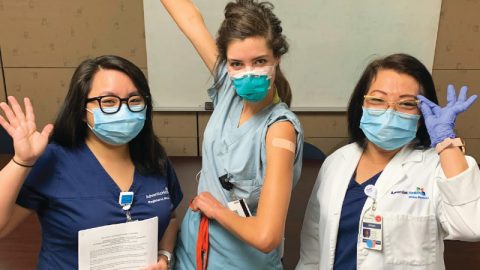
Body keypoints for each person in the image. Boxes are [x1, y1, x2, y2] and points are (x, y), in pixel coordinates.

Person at [296, 53, 480, 270]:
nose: (390, 111)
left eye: (406, 104)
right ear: (361, 103)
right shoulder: (337, 161)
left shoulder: (438, 167)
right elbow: (313, 244)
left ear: (422, 113)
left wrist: (446, 142)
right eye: (377, 99)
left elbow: (472, 227)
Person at [0, 55, 183, 269]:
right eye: (108, 102)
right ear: (82, 110)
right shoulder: (53, 160)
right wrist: (21, 161)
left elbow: (169, 217)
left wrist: (165, 256)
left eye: (134, 100)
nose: (123, 110)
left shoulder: (154, 158)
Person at [160, 0, 304, 269]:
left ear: (277, 59)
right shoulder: (228, 86)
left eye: (260, 61)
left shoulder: (279, 129)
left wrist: (217, 211)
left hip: (241, 262)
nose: (247, 73)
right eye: (237, 64)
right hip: (193, 252)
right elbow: (190, 19)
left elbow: (266, 236)